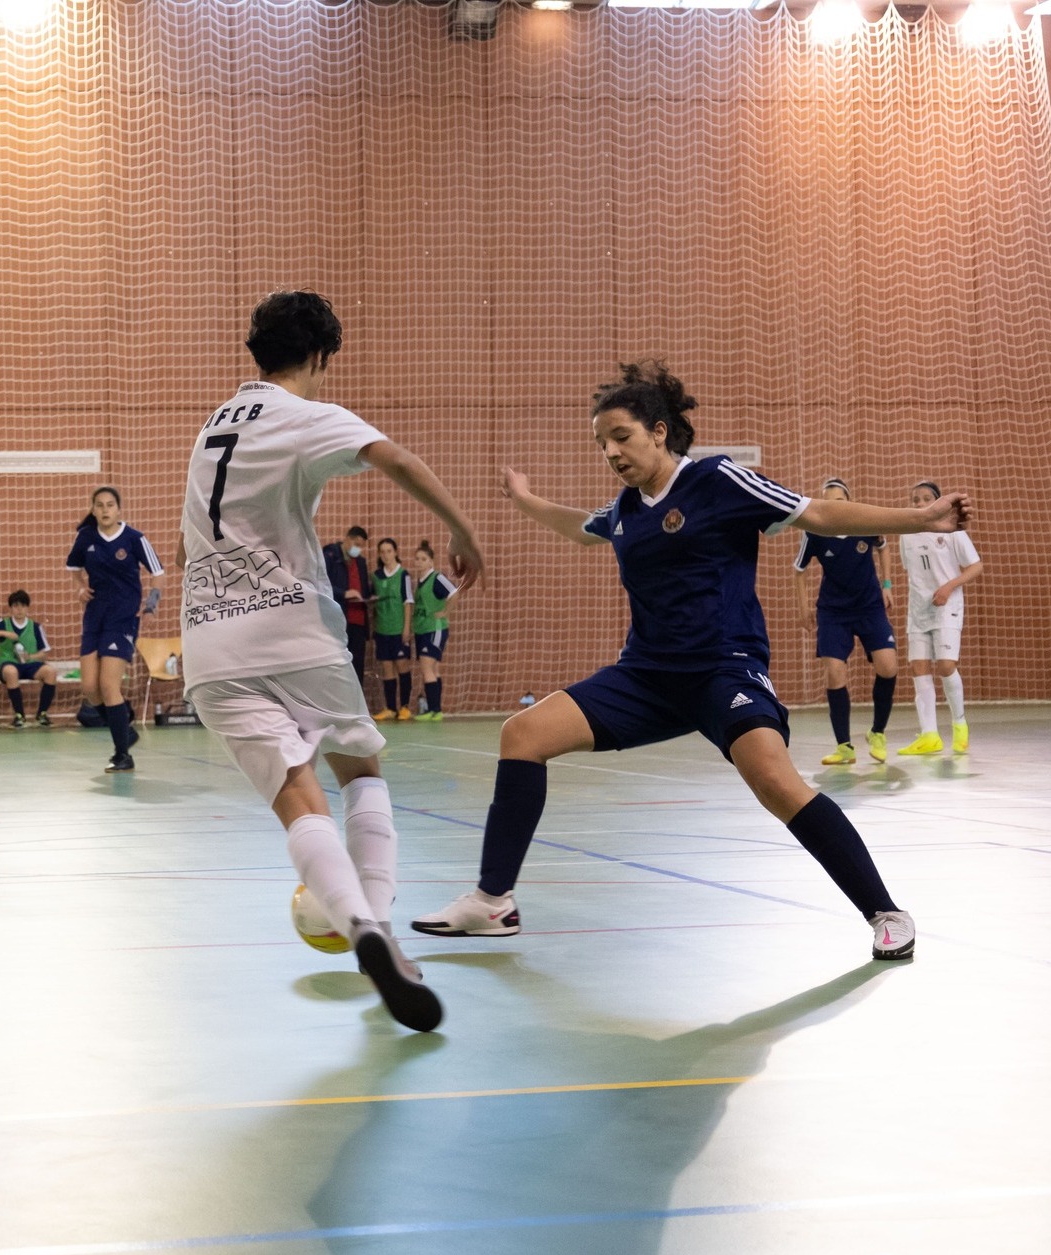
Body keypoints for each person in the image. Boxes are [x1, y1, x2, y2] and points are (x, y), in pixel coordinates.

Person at [411, 362, 972, 965]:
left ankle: (885, 910)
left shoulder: (719, 480)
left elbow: (817, 514)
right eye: (601, 442)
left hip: (724, 668)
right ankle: (493, 901)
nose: (610, 451)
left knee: (777, 783)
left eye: (621, 436)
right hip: (645, 676)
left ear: (658, 431)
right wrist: (524, 500)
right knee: (522, 734)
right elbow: (582, 529)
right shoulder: (627, 508)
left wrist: (919, 517)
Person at [177, 289, 486, 1032]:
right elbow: (396, 459)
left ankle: (359, 929)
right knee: (360, 769)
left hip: (208, 644)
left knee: (295, 796)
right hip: (290, 628)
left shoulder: (212, 425)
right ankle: (377, 921)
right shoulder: (302, 414)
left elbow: (186, 537)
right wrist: (462, 529)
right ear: (318, 357)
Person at [792, 478, 899, 765]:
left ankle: (877, 732)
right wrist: (803, 608)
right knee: (835, 674)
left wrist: (887, 584)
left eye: (840, 500)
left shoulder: (864, 522)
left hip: (869, 606)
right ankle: (844, 747)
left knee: (888, 666)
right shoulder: (815, 530)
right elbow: (799, 570)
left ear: (849, 502)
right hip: (833, 612)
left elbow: (884, 546)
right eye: (829, 500)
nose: (835, 506)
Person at [66, 485, 165, 772]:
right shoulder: (85, 538)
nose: (105, 509)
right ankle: (123, 723)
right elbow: (73, 568)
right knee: (89, 689)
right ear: (93, 509)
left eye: (110, 504)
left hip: (122, 619)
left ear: (119, 509)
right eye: (99, 505)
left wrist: (151, 603)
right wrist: (80, 588)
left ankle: (123, 754)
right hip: (94, 617)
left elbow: (158, 574)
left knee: (109, 686)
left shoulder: (134, 539)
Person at [897, 479, 983, 756]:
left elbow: (976, 566)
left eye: (925, 498)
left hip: (947, 605)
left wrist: (948, 586)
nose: (920, 503)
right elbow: (910, 571)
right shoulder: (906, 534)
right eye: (915, 499)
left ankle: (959, 724)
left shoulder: (951, 530)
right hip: (918, 609)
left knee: (946, 666)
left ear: (937, 502)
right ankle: (929, 735)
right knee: (919, 668)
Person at [0, 590, 60, 728]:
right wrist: (4, 633)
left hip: (29, 664)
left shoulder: (35, 627)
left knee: (50, 672)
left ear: (28, 607)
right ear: (11, 608)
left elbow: (45, 652)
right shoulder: (2, 623)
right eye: (16, 606)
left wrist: (31, 656)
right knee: (11, 672)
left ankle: (42, 714)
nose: (19, 609)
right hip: (7, 662)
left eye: (23, 606)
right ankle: (19, 715)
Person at [411, 540, 458, 722]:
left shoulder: (436, 578)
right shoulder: (420, 581)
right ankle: (436, 710)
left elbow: (454, 593)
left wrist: (445, 612)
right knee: (433, 669)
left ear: (431, 562)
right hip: (423, 629)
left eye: (423, 559)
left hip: (435, 629)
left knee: (426, 667)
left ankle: (433, 709)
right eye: (417, 559)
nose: (419, 562)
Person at [370, 536, 414, 722]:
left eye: (389, 551)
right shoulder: (376, 576)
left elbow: (407, 602)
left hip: (398, 629)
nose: (386, 555)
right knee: (387, 668)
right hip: (382, 629)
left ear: (395, 552)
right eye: (383, 552)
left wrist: (406, 628)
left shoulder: (403, 575)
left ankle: (404, 707)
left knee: (402, 666)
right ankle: (390, 707)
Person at [323, 526, 372, 682]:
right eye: (357, 544)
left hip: (358, 620)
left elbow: (363, 589)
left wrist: (370, 597)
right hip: (338, 620)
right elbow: (322, 586)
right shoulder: (330, 555)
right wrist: (344, 593)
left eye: (362, 546)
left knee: (358, 665)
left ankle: (357, 704)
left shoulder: (361, 563)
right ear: (347, 538)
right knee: (338, 665)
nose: (359, 549)